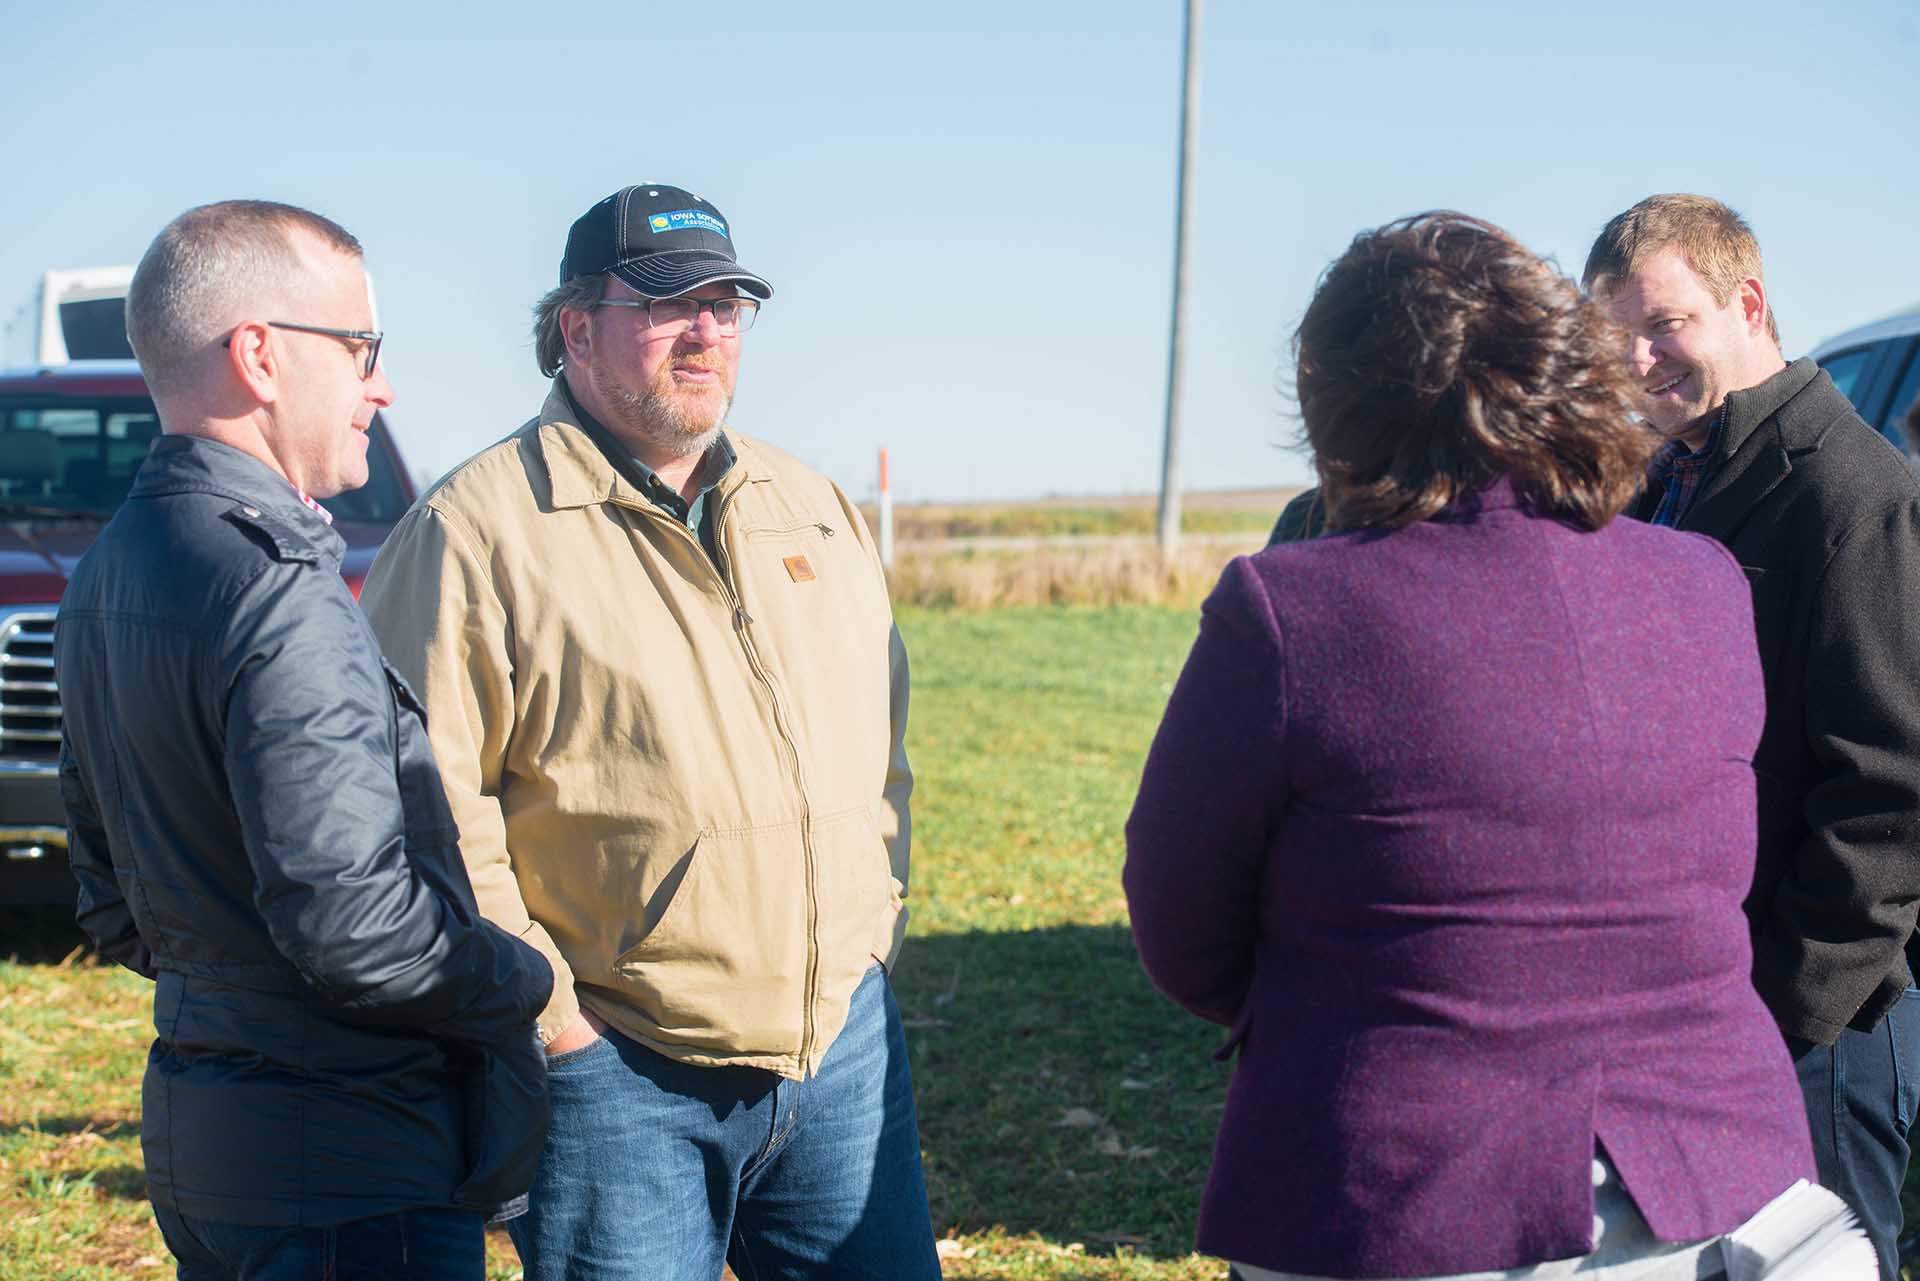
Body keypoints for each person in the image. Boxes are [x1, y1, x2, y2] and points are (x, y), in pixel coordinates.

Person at [1125, 213, 1817, 1279]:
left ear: (1342, 403)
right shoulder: (1702, 582)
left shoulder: (1293, 609)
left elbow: (1182, 924)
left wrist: (1352, 1001)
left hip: (1408, 1192)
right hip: (1728, 1183)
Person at [359, 183, 938, 1281]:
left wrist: (873, 933)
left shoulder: (811, 505)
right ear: (575, 328)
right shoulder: (475, 531)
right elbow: (425, 814)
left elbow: (887, 749)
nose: (708, 330)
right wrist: (557, 1030)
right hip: (619, 1073)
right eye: (671, 303)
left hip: (841, 1047)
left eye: (728, 302)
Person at [55, 200, 553, 1281]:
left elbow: (108, 895)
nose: (382, 384)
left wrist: (232, 995)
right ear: (260, 357)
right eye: (363, 348)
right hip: (348, 1169)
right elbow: (355, 928)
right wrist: (517, 978)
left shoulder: (108, 570)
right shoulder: (277, 589)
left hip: (210, 1147)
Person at [1586, 194, 1920, 1279]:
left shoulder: (1852, 494)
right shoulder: (1662, 485)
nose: (1637, 362)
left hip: (1818, 1023)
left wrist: (1787, 1007)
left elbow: (1891, 784)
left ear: (1750, 303)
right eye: (1615, 338)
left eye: (1665, 324)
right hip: (1693, 999)